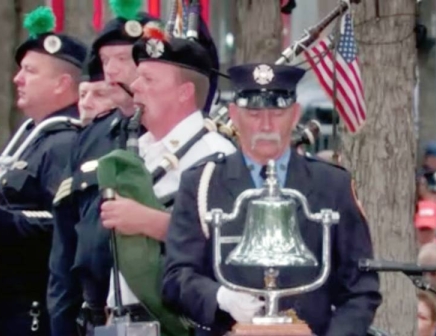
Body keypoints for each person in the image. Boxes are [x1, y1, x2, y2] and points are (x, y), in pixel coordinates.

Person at [162, 63, 381, 336]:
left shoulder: (332, 186)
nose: (265, 125)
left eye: (277, 113)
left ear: (295, 115)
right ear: (234, 115)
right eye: (253, 113)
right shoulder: (202, 184)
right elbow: (175, 278)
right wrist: (221, 297)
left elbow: (361, 289)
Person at [0, 6, 86, 335]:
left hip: (32, 315)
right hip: (3, 310)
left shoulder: (64, 142)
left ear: (62, 84)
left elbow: (65, 226)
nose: (17, 78)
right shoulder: (34, 136)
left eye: (30, 71)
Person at [99, 28, 235, 320]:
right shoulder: (142, 149)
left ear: (184, 92)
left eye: (148, 79)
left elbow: (228, 242)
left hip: (177, 322)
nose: (134, 86)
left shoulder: (216, 155)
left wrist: (149, 222)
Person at [47, 5, 161, 334]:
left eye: (124, 59)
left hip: (157, 311)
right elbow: (65, 238)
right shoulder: (92, 136)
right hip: (94, 313)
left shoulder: (169, 133)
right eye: (106, 60)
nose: (111, 71)